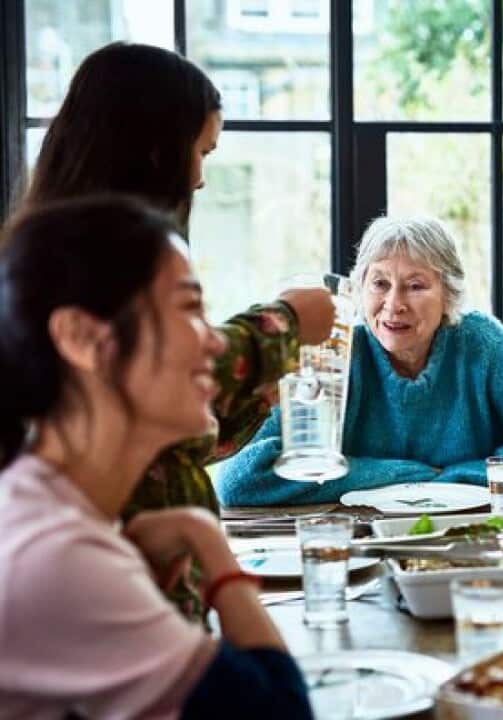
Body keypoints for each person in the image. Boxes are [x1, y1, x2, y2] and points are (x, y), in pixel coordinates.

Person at [20, 42, 334, 617]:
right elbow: (144, 389)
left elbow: (192, 425)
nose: (199, 180)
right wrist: (284, 323)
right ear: (154, 150)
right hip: (136, 593)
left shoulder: (68, 253)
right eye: (202, 152)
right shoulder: (75, 264)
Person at [0, 197, 310, 718]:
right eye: (190, 309)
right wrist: (208, 542)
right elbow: (277, 712)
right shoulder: (57, 553)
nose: (215, 342)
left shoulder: (50, 507)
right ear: (82, 339)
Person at [217, 215, 503, 505]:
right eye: (379, 284)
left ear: (449, 295)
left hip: (475, 536)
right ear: (360, 290)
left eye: (416, 285)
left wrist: (449, 480)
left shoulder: (481, 342)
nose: (394, 304)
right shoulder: (335, 352)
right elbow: (242, 479)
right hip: (359, 541)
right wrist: (407, 476)